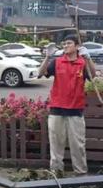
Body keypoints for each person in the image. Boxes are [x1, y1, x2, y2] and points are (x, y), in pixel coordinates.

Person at [38, 34, 95, 176]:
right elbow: (40, 73)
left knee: (78, 146)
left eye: (69, 43)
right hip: (57, 109)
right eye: (64, 44)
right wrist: (47, 57)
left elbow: (93, 75)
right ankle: (56, 173)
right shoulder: (57, 62)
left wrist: (88, 58)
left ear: (77, 46)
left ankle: (81, 174)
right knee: (56, 145)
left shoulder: (82, 63)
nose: (65, 46)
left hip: (75, 110)